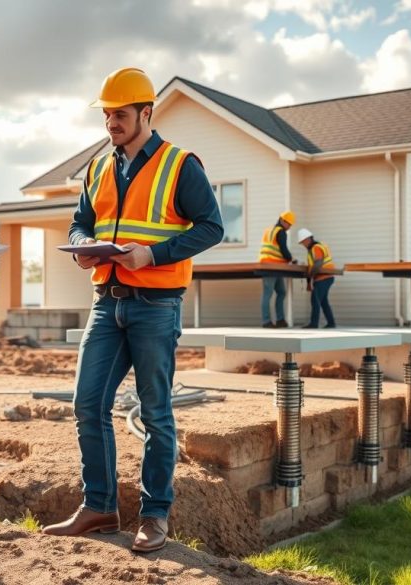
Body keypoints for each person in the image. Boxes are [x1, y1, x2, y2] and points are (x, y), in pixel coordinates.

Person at [41, 68, 223, 553]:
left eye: (120, 115)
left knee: (157, 413)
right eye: (106, 115)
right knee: (87, 404)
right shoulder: (100, 167)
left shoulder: (180, 164)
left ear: (146, 112)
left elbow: (211, 227)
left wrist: (152, 254)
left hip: (156, 306)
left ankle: (155, 515)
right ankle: (99, 507)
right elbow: (81, 221)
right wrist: (82, 246)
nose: (111, 124)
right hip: (107, 303)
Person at [259, 210, 295, 328]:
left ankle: (280, 320)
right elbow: (283, 249)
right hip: (271, 266)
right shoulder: (281, 232)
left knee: (281, 292)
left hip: (273, 266)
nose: (289, 227)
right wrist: (291, 259)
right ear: (282, 220)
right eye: (288, 224)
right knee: (268, 294)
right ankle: (266, 321)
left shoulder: (268, 230)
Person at [297, 228, 337, 329]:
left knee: (315, 299)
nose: (303, 245)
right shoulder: (317, 247)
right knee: (323, 301)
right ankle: (331, 323)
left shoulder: (316, 248)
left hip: (323, 277)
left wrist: (310, 276)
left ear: (308, 239)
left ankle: (314, 324)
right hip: (326, 277)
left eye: (303, 242)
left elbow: (318, 263)